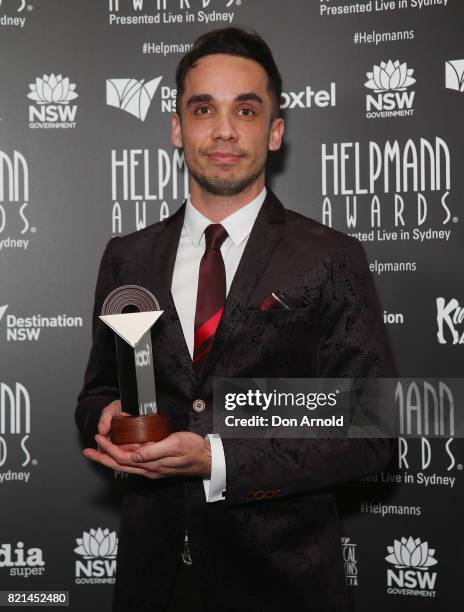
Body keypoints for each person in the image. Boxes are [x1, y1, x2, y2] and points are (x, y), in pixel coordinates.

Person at [75, 27, 394, 612]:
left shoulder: (330, 258)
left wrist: (218, 458)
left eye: (245, 109)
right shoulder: (128, 256)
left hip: (281, 586)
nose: (224, 130)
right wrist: (106, 417)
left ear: (274, 131)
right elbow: (96, 390)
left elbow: (373, 430)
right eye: (203, 109)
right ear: (177, 127)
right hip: (153, 582)